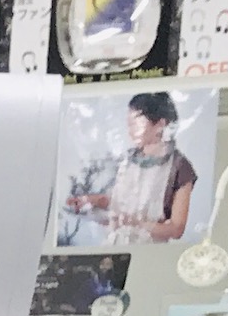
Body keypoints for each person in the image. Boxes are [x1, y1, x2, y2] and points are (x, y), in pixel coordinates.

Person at [61, 92, 197, 243]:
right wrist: (92, 201)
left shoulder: (180, 167)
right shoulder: (126, 160)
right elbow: (119, 202)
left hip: (150, 249)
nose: (130, 131)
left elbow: (176, 229)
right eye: (129, 125)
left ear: (160, 124)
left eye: (136, 124)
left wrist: (136, 223)